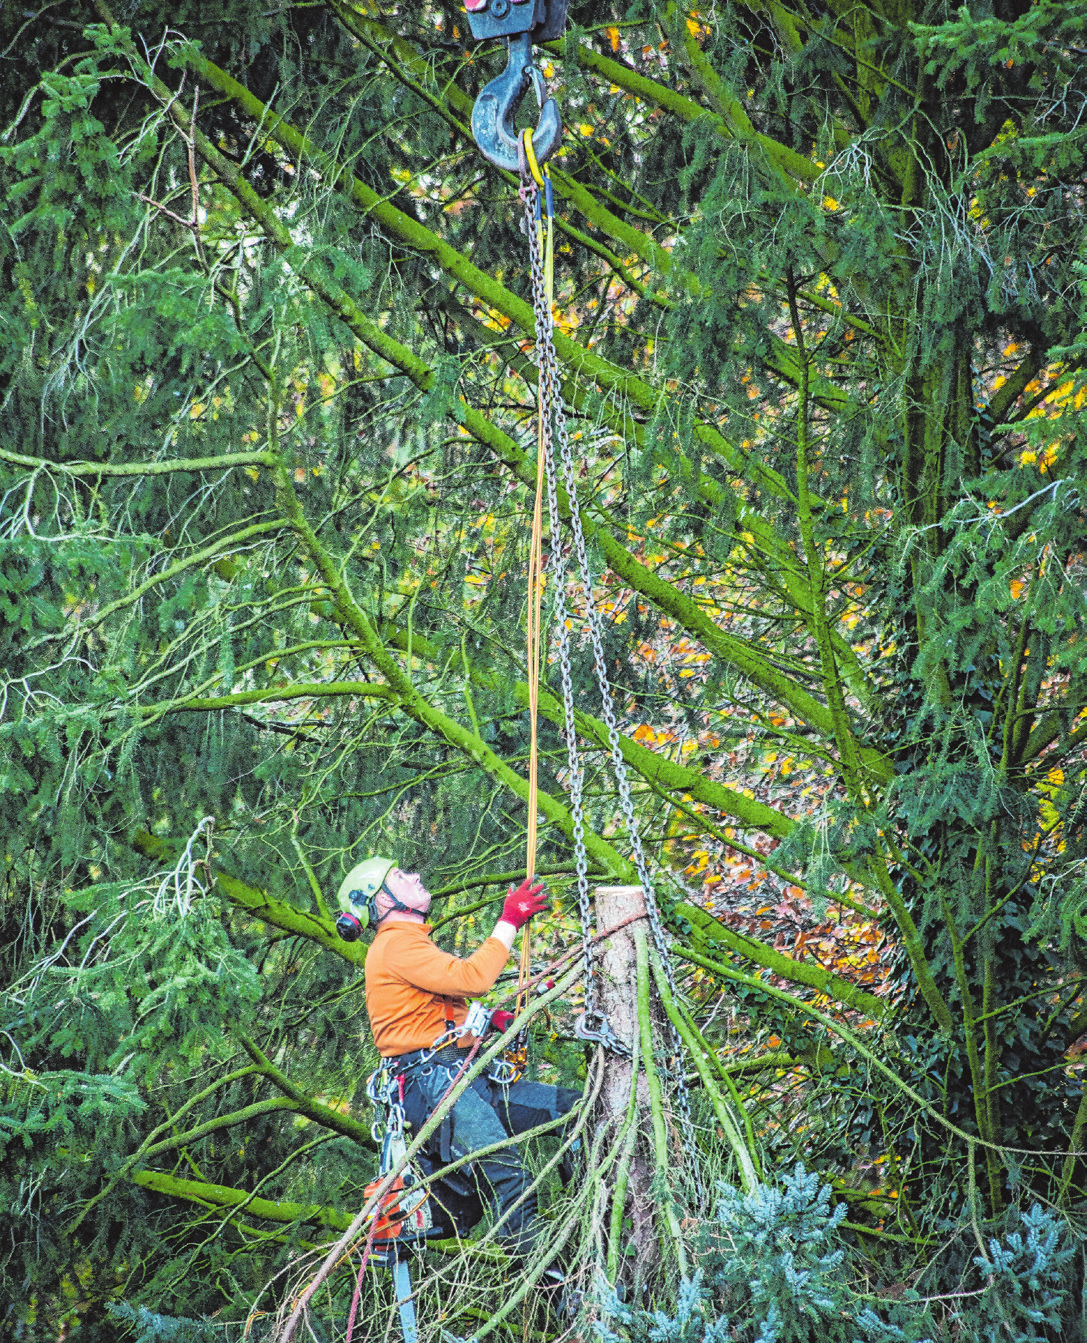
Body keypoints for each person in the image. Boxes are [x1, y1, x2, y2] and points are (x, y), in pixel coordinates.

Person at [335, 856, 580, 1264]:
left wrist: (479, 1023)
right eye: (398, 877)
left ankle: (589, 1216)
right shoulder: (396, 944)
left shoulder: (406, 943)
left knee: (572, 1109)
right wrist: (509, 920)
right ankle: (561, 1288)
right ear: (379, 902)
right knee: (509, 1179)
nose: (414, 875)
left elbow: (431, 1011)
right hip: (437, 1084)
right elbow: (473, 979)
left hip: (458, 1077)